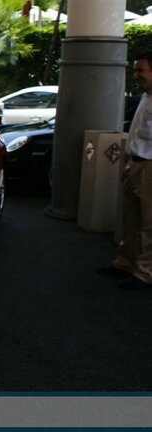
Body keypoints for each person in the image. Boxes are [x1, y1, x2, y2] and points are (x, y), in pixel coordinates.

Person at [98, 51, 152, 290]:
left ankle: (145, 273)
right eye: (135, 70)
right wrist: (128, 164)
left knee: (149, 223)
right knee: (130, 218)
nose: (136, 75)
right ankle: (125, 262)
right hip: (135, 164)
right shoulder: (145, 98)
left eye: (141, 70)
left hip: (149, 168)